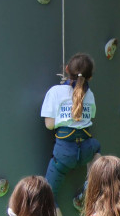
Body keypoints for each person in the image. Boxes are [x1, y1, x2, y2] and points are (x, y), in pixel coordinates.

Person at [41, 53, 100, 203]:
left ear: (67, 69)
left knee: (48, 197)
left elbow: (49, 125)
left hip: (64, 154)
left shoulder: (55, 91)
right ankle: (91, 185)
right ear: (90, 77)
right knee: (97, 147)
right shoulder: (90, 94)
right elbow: (90, 117)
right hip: (86, 150)